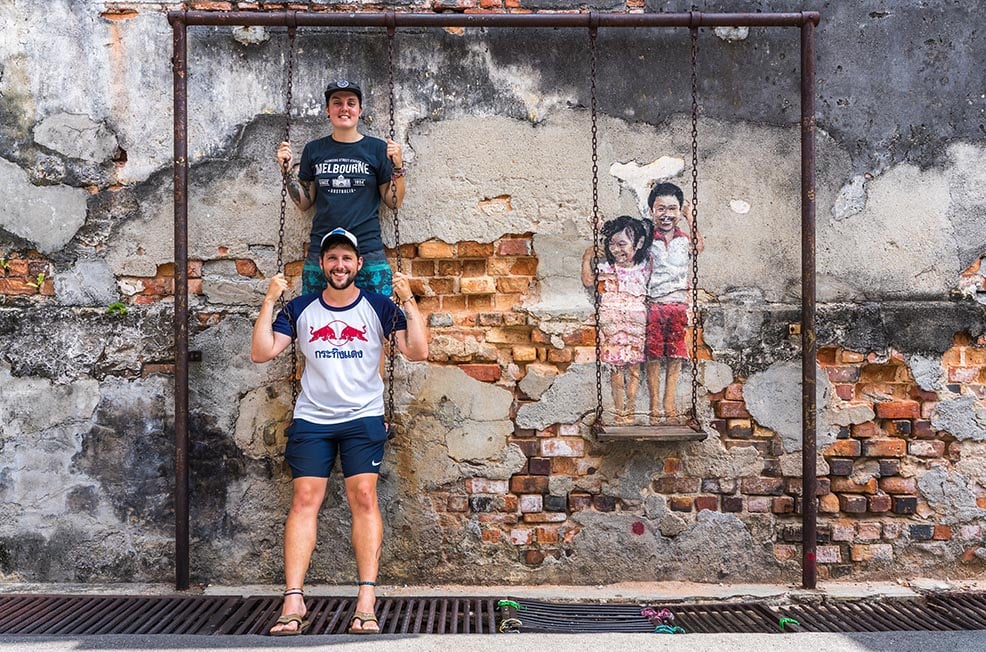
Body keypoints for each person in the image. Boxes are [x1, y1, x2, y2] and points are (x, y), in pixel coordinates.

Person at [251, 227, 428, 636]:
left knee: (364, 497)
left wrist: (409, 300)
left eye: (347, 258)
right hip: (313, 418)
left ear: (358, 265)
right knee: (304, 499)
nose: (339, 265)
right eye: (332, 258)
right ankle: (293, 599)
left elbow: (418, 351)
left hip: (362, 417)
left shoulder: (380, 307)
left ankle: (366, 599)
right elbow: (261, 352)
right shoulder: (301, 308)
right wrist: (269, 299)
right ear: (323, 265)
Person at [276, 79, 406, 297]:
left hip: (367, 250)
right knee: (313, 320)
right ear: (328, 110)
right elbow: (305, 202)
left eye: (351, 103)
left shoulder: (377, 149)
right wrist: (287, 172)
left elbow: (394, 201)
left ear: (359, 110)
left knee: (379, 320)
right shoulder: (314, 150)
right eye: (337, 103)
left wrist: (398, 166)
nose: (344, 108)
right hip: (323, 251)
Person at [582, 216, 652, 424]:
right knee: (616, 368)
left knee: (634, 367)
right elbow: (588, 281)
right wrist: (587, 258)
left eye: (622, 244)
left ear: (638, 244)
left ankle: (630, 409)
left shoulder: (645, 267)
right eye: (612, 244)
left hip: (636, 326)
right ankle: (618, 410)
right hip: (613, 325)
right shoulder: (607, 269)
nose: (616, 249)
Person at [644, 182, 704, 424]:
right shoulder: (647, 239)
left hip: (678, 304)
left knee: (676, 354)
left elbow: (699, 246)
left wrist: (691, 218)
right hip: (654, 304)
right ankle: (654, 405)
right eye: (660, 209)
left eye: (672, 209)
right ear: (651, 211)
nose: (666, 214)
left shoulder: (684, 240)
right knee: (654, 354)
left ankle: (669, 403)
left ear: (680, 211)